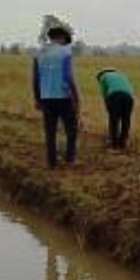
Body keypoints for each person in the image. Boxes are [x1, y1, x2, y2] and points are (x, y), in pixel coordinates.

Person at [32, 20, 80, 169]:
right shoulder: (66, 52)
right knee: (71, 130)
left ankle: (51, 163)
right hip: (64, 97)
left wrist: (37, 98)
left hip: (46, 98)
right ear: (60, 37)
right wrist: (76, 97)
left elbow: (35, 78)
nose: (66, 43)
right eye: (65, 40)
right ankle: (69, 159)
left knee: (50, 132)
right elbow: (68, 76)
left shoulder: (39, 54)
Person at [97, 68, 134, 151]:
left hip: (114, 96)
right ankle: (123, 142)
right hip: (128, 97)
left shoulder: (103, 77)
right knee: (126, 119)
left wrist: (108, 106)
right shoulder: (122, 74)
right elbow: (130, 89)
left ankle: (114, 144)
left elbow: (104, 93)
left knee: (114, 119)